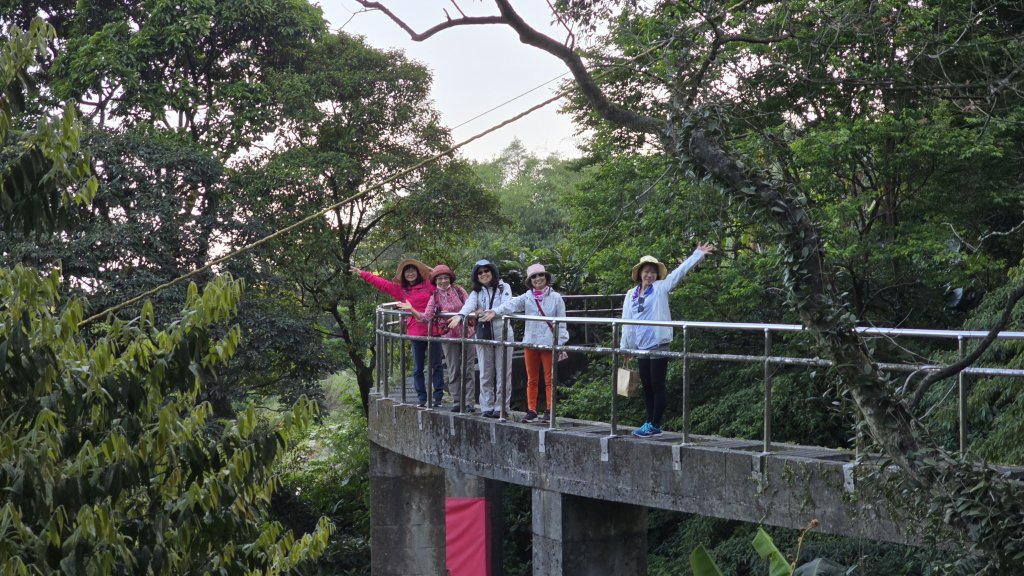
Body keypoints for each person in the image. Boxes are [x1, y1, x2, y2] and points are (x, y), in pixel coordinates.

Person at [621, 244, 715, 437]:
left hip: (658, 342)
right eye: (646, 272)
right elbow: (627, 321)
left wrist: (697, 255)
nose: (650, 275)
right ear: (640, 274)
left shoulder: (661, 288)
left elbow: (679, 273)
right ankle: (648, 421)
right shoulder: (631, 294)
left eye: (653, 272)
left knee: (657, 384)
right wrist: (626, 347)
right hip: (641, 345)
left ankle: (655, 424)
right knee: (646, 385)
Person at [480, 263, 568, 423]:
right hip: (530, 342)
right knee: (531, 379)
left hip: (549, 343)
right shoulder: (528, 296)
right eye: (534, 276)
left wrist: (561, 342)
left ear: (546, 277)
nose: (538, 279)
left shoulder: (556, 298)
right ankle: (532, 410)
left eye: (540, 275)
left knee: (550, 379)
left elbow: (562, 322)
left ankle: (550, 410)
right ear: (530, 280)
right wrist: (494, 311)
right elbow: (510, 305)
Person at [351, 259, 444, 408]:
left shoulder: (429, 284)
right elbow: (381, 283)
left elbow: (444, 280)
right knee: (418, 367)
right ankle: (422, 398)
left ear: (418, 272)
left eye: (413, 270)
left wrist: (430, 268)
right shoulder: (401, 290)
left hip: (434, 329)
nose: (411, 274)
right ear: (403, 275)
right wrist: (362, 273)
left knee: (436, 365)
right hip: (415, 331)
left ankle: (438, 396)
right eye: (407, 272)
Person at [448, 259, 513, 419]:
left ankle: (501, 407)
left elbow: (507, 305)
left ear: (492, 271)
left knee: (503, 371)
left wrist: (490, 311)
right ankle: (487, 406)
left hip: (502, 333)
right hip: (483, 334)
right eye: (480, 272)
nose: (484, 274)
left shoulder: (504, 287)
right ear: (476, 276)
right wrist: (460, 315)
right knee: (485, 371)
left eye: (486, 271)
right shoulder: (476, 292)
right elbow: (470, 304)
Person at [422, 264, 477, 413]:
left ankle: (469, 401)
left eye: (445, 278)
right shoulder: (435, 296)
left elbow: (471, 305)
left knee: (468, 368)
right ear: (435, 280)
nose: (443, 281)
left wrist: (459, 314)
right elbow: (426, 316)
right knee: (453, 369)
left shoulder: (459, 291)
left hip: (467, 333)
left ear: (450, 278)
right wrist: (412, 311)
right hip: (448, 336)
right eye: (439, 278)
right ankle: (457, 400)